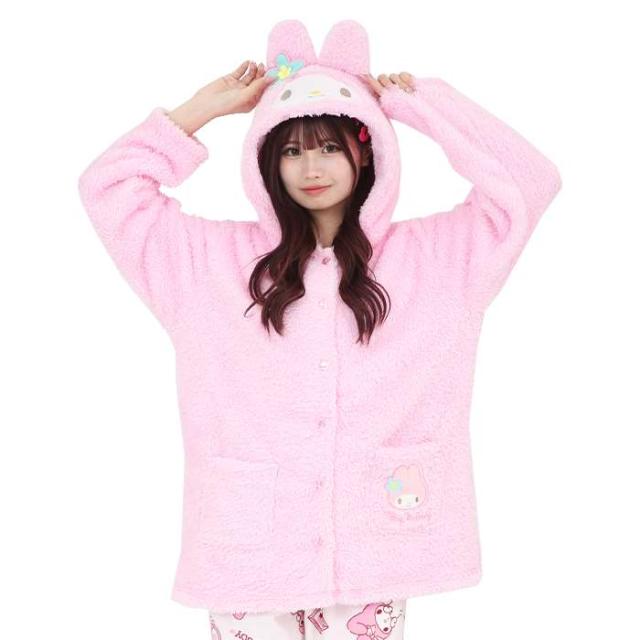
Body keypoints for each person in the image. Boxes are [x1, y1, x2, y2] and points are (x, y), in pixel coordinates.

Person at [77, 19, 561, 639]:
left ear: (368, 149)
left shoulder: (439, 260)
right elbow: (109, 189)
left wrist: (424, 106)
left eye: (330, 146)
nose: (312, 166)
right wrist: (203, 109)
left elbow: (529, 184)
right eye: (291, 150)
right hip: (247, 558)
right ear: (266, 161)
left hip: (374, 556)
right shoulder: (207, 266)